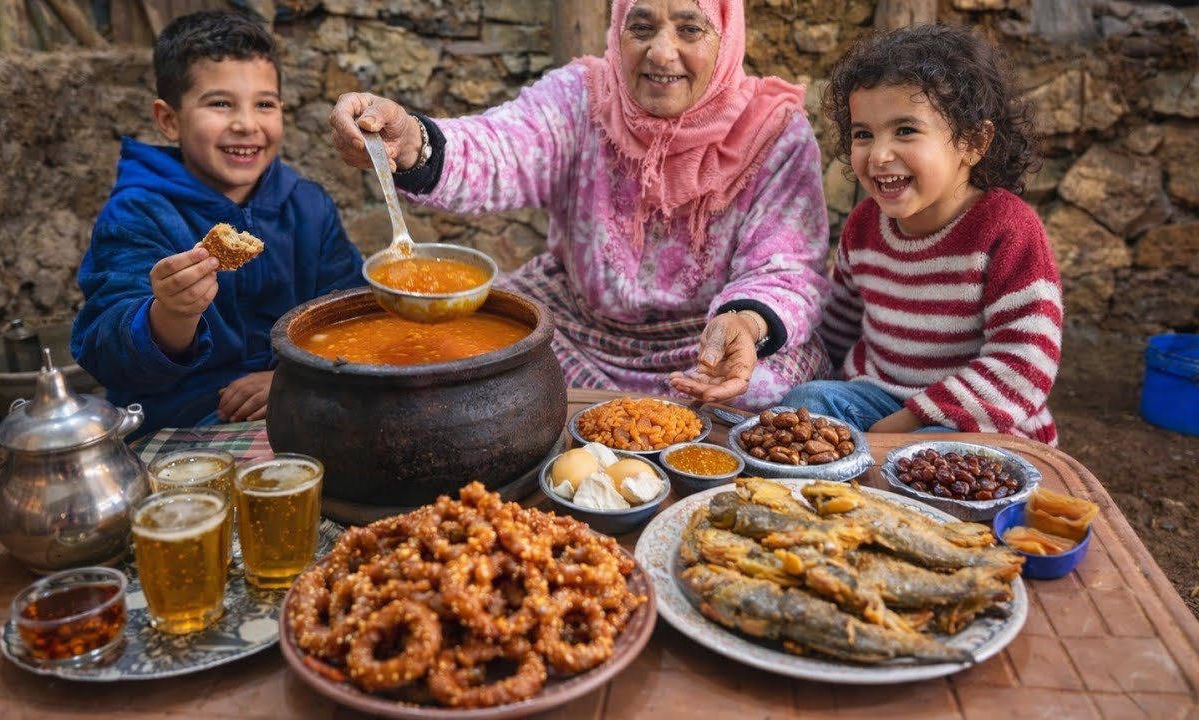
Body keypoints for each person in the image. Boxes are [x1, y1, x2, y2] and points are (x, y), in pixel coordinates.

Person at [328, 0, 832, 410]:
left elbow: (786, 268)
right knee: (467, 342)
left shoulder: (774, 133)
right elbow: (501, 147)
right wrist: (410, 143)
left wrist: (744, 324)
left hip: (707, 343)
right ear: (617, 31)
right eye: (641, 27)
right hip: (578, 328)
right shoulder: (582, 97)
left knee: (761, 391)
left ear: (726, 36)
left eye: (689, 29)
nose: (661, 53)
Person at [71, 9, 365, 440]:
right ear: (169, 120)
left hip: (299, 397)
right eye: (220, 104)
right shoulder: (139, 214)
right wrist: (170, 314)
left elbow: (351, 316)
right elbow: (106, 352)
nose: (246, 124)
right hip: (178, 423)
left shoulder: (308, 207)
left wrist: (292, 379)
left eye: (264, 104)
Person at [781, 24, 1063, 445]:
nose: (879, 155)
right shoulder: (863, 225)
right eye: (864, 134)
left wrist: (902, 428)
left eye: (905, 131)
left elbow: (1024, 363)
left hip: (977, 419)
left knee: (936, 448)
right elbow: (834, 332)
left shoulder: (1007, 229)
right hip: (876, 401)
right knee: (807, 401)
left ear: (974, 141)